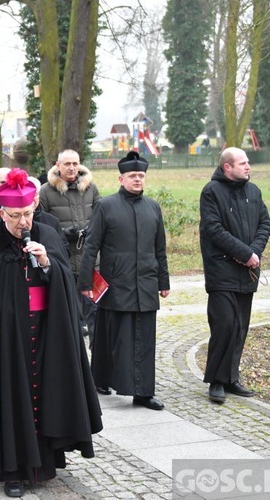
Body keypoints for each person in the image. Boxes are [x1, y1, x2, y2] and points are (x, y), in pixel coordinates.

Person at [0, 168, 102, 498]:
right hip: (4, 340)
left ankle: (44, 463)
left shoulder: (48, 234)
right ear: (1, 212)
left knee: (45, 395)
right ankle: (10, 470)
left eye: (27, 213)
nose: (23, 221)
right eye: (15, 215)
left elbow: (66, 282)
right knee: (10, 398)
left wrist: (48, 264)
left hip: (45, 333)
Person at [78, 151, 170, 411]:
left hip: (147, 283)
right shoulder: (106, 206)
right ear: (121, 178)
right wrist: (85, 283)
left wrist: (164, 281)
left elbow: (159, 247)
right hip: (116, 283)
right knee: (111, 337)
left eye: (141, 176)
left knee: (144, 339)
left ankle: (142, 393)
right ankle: (101, 379)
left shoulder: (153, 207)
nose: (138, 180)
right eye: (132, 176)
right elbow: (91, 246)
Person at [200, 147, 270, 403]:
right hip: (221, 271)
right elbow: (214, 230)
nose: (248, 166)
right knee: (224, 325)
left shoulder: (254, 191)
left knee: (240, 326)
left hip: (248, 272)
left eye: (248, 162)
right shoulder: (211, 192)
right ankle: (216, 381)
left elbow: (265, 223)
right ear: (227, 167)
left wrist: (254, 252)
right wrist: (244, 253)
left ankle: (231, 378)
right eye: (242, 163)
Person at [39, 149, 101, 335]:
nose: (72, 167)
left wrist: (92, 231)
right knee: (68, 308)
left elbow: (102, 216)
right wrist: (64, 233)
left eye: (75, 163)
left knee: (94, 308)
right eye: (67, 164)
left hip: (89, 257)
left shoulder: (91, 188)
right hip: (63, 257)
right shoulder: (46, 191)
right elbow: (41, 225)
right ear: (58, 166)